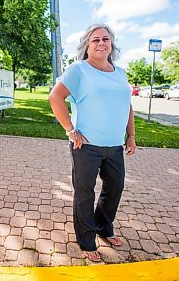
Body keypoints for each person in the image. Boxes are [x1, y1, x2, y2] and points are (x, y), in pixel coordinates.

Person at [48, 23, 136, 262]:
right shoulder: (79, 70)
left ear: (111, 44)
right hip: (85, 146)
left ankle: (103, 227)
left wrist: (131, 135)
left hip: (114, 145)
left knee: (115, 188)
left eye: (105, 39)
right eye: (95, 39)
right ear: (87, 45)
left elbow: (127, 105)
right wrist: (70, 130)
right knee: (85, 193)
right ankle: (86, 241)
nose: (101, 43)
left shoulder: (120, 73)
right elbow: (55, 97)